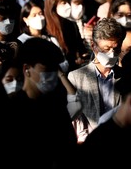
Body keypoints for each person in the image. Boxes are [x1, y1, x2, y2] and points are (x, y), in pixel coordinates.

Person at [5, 37, 78, 168]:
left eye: (54, 69)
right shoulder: (11, 109)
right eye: (45, 69)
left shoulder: (56, 106)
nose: (51, 74)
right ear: (26, 69)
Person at [68, 17, 126, 143]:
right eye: (106, 49)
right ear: (94, 47)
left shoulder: (126, 77)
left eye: (115, 49)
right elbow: (74, 119)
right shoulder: (77, 78)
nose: (111, 54)